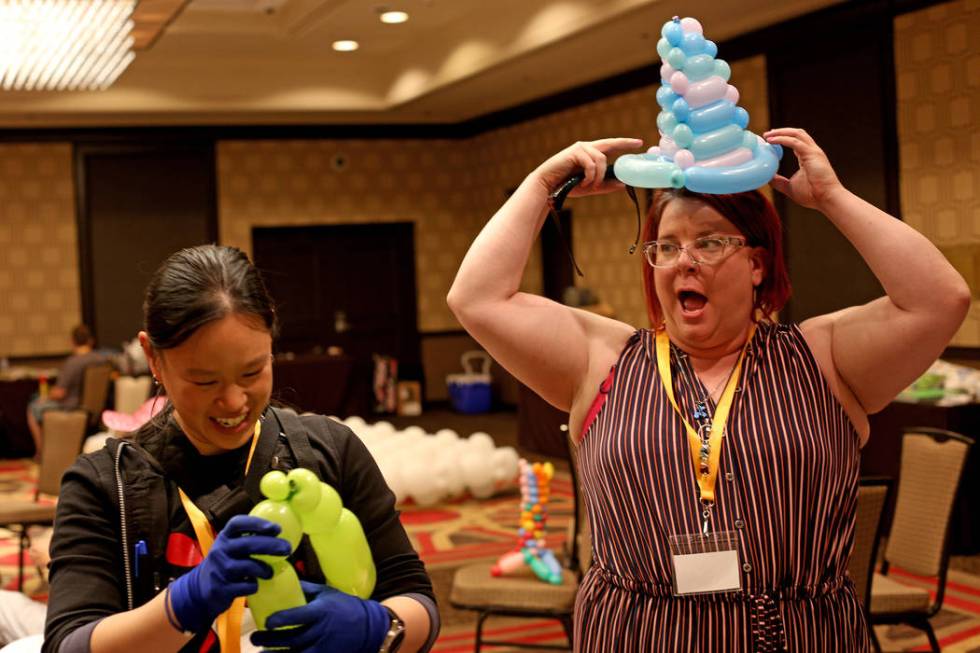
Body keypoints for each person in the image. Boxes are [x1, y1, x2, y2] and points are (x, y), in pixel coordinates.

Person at [446, 130, 970, 651]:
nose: (684, 261)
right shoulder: (603, 358)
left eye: (711, 242)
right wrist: (541, 187)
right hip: (636, 633)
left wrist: (833, 199)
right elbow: (477, 298)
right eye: (666, 247)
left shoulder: (822, 358)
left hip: (797, 636)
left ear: (757, 265)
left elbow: (941, 299)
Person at [43, 245, 438, 653]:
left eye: (253, 371)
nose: (234, 403)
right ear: (153, 358)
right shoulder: (104, 485)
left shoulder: (330, 450)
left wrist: (380, 629)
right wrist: (180, 606)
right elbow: (67, 644)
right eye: (204, 381)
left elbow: (415, 596)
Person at [26, 324, 107, 454]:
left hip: (71, 407)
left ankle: (41, 452)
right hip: (95, 409)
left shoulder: (73, 362)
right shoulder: (101, 360)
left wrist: (46, 396)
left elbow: (60, 393)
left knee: (34, 406)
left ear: (73, 341)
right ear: (91, 340)